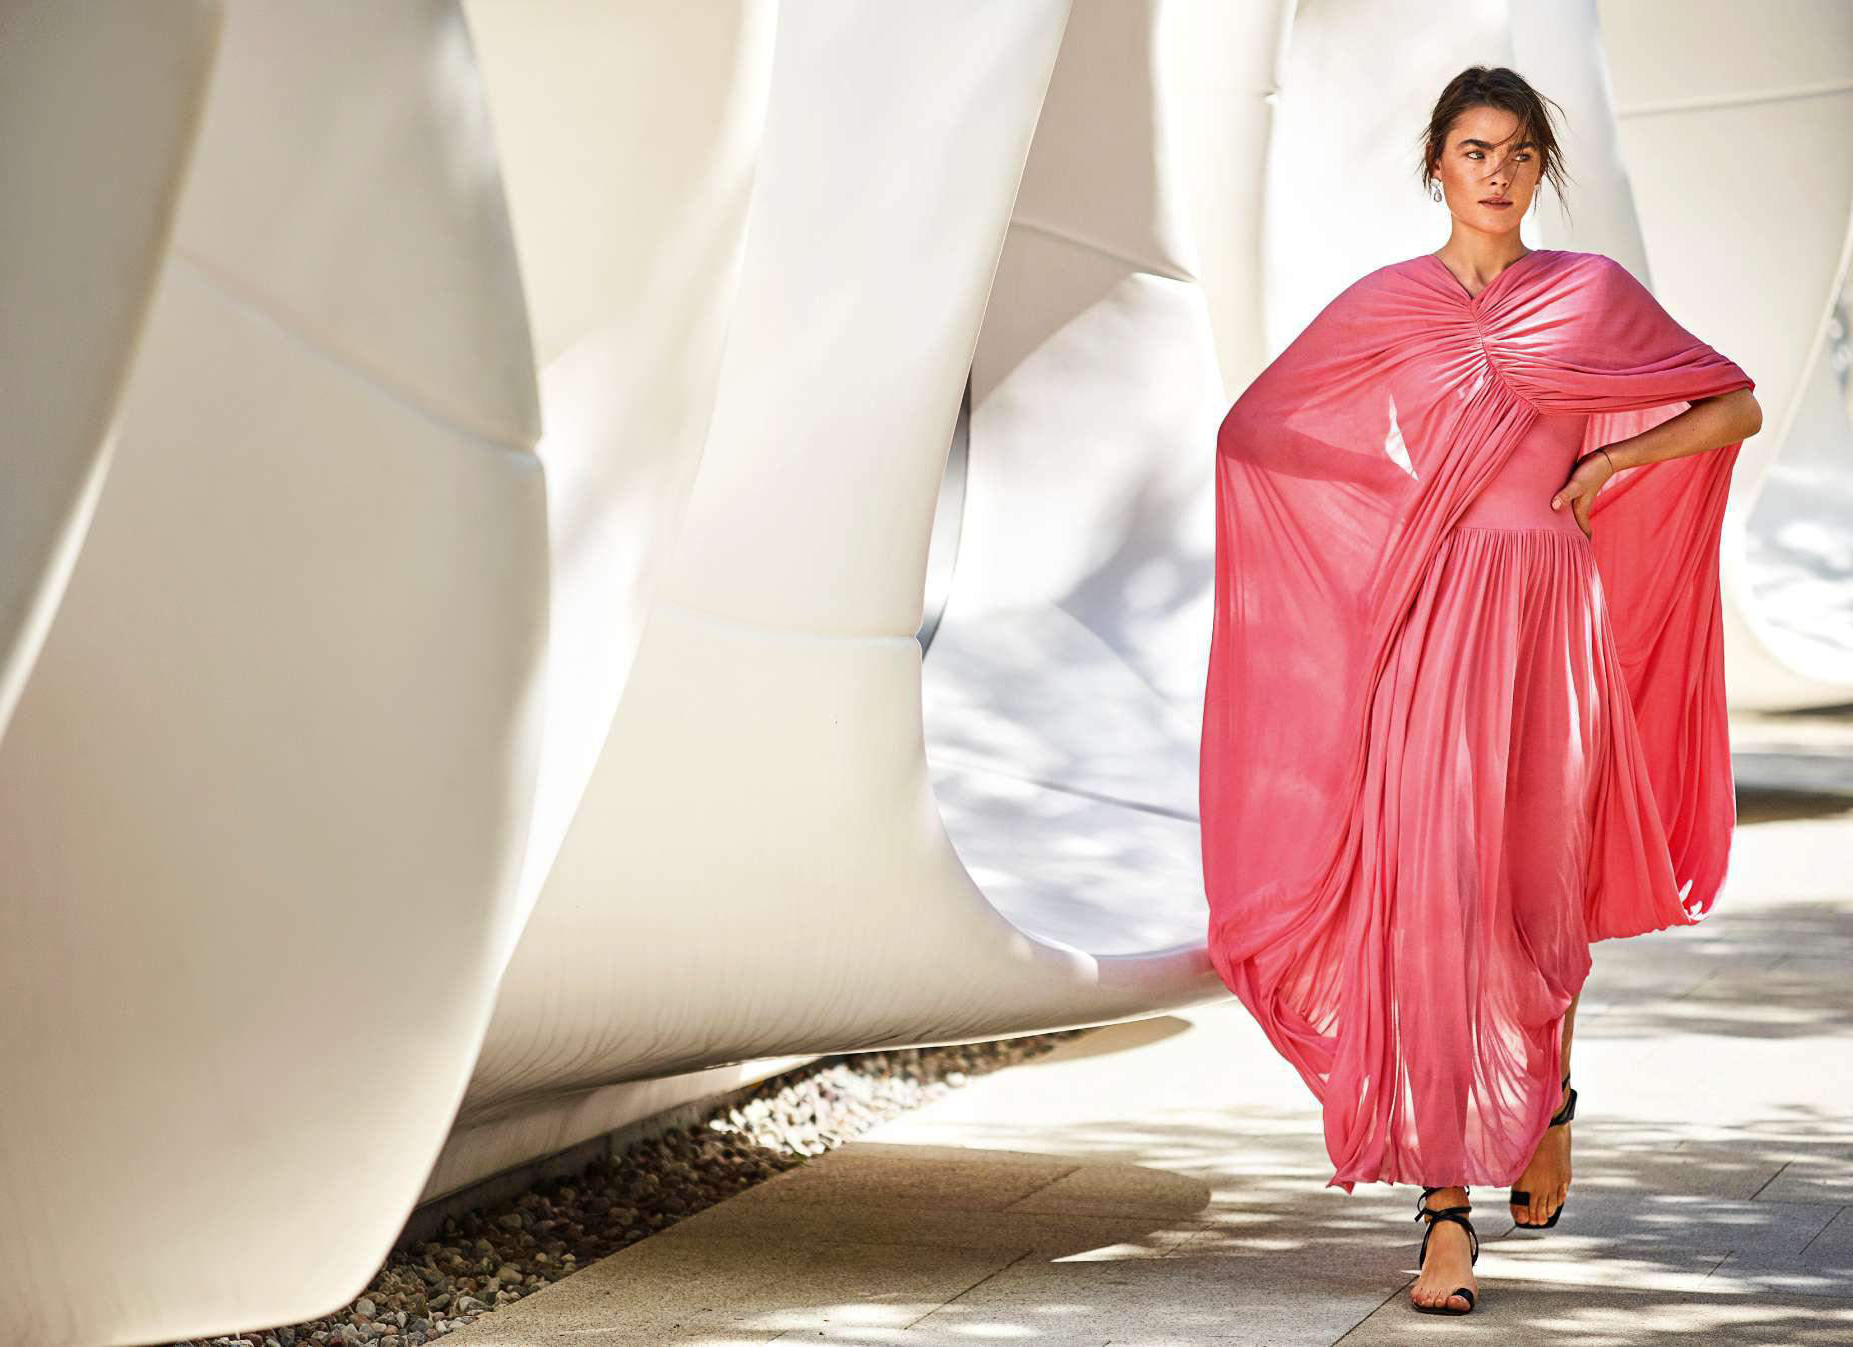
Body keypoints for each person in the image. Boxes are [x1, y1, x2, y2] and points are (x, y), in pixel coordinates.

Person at [1197, 65, 1763, 1317]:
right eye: (1471, 150)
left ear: (1538, 167)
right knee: (1431, 897)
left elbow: (1732, 404)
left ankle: (1544, 1097)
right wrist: (1385, 513)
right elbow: (1257, 432)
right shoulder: (1385, 303)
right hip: (1428, 614)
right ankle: (1444, 1213)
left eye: (1515, 152)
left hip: (1548, 617)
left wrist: (1613, 464)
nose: (1494, 172)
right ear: (1435, 166)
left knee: (1534, 891)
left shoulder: (1586, 294)